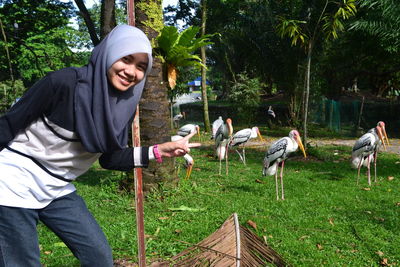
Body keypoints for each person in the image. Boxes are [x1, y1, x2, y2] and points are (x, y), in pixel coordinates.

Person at [0, 25, 200, 266]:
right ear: (109, 54)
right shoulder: (63, 83)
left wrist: (160, 150)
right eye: (126, 59)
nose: (131, 72)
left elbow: (110, 158)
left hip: (57, 188)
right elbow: (8, 125)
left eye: (140, 67)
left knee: (99, 257)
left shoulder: (123, 106)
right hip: (13, 182)